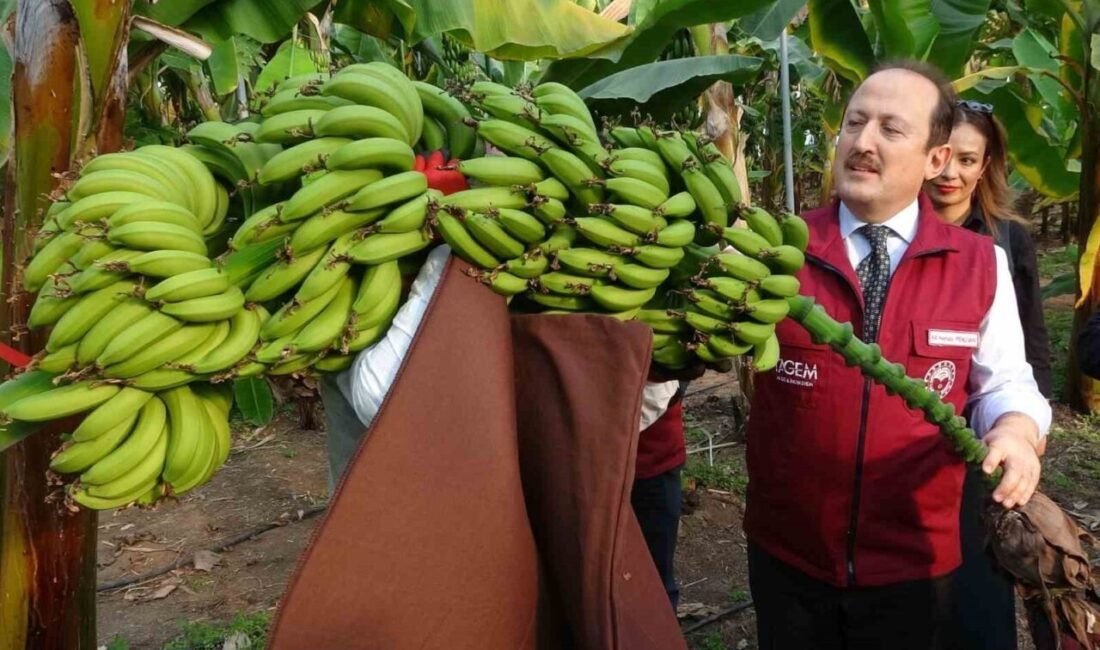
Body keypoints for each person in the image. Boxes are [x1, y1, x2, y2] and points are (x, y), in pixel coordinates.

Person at [743, 60, 1051, 650]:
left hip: (916, 560)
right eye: (854, 122)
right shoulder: (776, 250)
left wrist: (1015, 431)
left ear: (936, 159)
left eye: (891, 128)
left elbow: (1004, 382)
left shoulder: (979, 263)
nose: (863, 142)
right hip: (790, 555)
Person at [923, 101, 1054, 650]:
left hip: (986, 428)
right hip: (919, 424)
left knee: (979, 578)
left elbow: (1029, 338)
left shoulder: (1005, 239)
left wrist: (1027, 425)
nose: (951, 173)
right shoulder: (896, 229)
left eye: (968, 160)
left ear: (984, 167)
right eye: (943, 157)